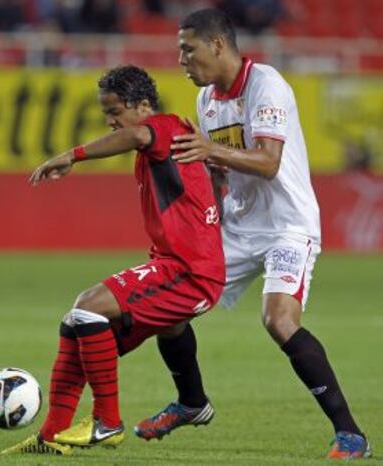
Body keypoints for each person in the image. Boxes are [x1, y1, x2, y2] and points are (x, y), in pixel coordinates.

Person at [134, 9, 372, 460]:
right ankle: (191, 402)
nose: (181, 59)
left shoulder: (266, 84)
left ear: (218, 44)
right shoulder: (207, 100)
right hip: (239, 227)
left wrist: (209, 149)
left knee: (279, 320)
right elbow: (223, 172)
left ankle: (350, 434)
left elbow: (268, 162)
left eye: (188, 48)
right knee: (171, 311)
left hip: (287, 226)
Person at [1, 64, 225, 455]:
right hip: (175, 266)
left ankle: (108, 423)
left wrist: (72, 155)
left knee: (88, 308)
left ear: (142, 105)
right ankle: (52, 434)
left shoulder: (165, 126)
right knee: (77, 325)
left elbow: (138, 133)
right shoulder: (163, 141)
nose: (109, 121)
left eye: (114, 111)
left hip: (190, 274)